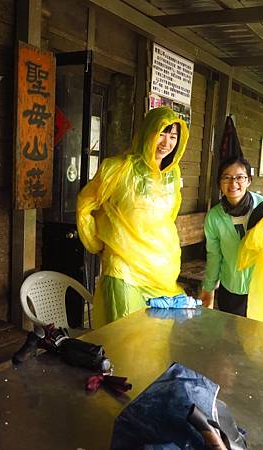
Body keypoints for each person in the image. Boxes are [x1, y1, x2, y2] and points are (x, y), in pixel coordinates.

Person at [76, 106, 189, 327]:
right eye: (161, 134)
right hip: (123, 269)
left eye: (173, 136)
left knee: (154, 337)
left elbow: (168, 217)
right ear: (148, 133)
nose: (166, 143)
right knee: (124, 335)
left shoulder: (172, 175)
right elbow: (84, 206)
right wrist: (97, 243)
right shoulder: (117, 168)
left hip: (161, 271)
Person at [199, 155, 263, 316]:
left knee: (260, 339)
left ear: (249, 180)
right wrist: (208, 289)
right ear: (219, 183)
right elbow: (214, 256)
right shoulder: (214, 217)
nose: (233, 183)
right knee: (231, 337)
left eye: (240, 177)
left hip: (262, 289)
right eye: (227, 178)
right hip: (231, 289)